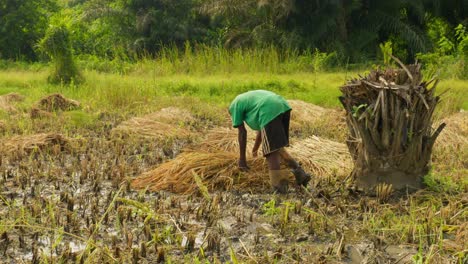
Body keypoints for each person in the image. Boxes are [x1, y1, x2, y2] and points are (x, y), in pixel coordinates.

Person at [228, 90, 312, 193]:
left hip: (268, 107)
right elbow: (262, 130)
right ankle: (301, 174)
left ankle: (279, 188)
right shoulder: (248, 102)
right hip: (282, 105)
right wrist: (255, 150)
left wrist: (242, 160)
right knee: (277, 147)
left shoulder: (234, 107)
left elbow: (242, 133)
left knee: (271, 152)